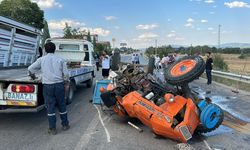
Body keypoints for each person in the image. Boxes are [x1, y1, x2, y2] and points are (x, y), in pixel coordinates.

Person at [28, 42, 70, 135]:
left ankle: (52, 129)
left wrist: (34, 77)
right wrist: (66, 84)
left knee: (50, 107)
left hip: (48, 86)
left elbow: (30, 68)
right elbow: (66, 74)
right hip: (59, 85)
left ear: (45, 50)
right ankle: (65, 125)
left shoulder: (41, 59)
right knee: (62, 105)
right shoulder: (60, 60)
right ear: (54, 49)